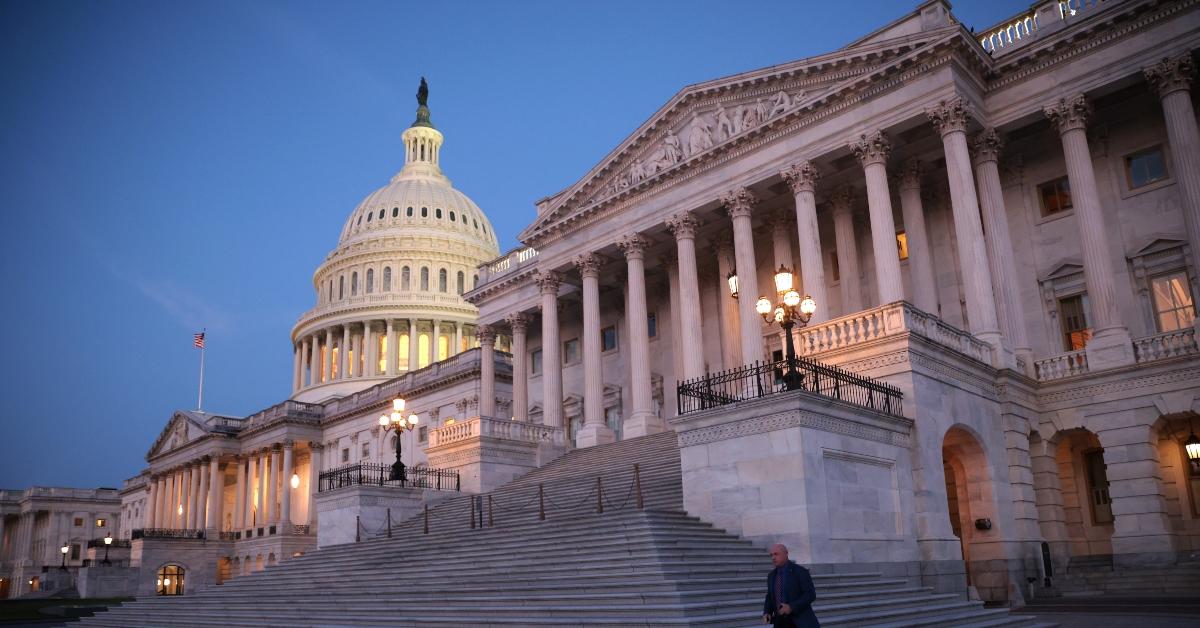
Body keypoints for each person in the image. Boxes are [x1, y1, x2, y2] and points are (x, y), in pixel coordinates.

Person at [763, 544, 819, 627]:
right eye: (771, 555)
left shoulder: (800, 572)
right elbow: (769, 596)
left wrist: (791, 607)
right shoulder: (771, 575)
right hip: (780, 622)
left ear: (786, 554)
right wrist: (767, 612)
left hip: (799, 621)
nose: (773, 558)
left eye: (776, 554)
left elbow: (810, 594)